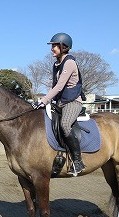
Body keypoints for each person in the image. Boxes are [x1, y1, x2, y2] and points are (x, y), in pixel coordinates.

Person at [32, 32, 86, 176]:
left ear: (64, 47)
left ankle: (78, 161)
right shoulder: (56, 64)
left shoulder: (69, 62)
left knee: (65, 125)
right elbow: (54, 86)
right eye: (52, 46)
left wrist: (43, 101)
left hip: (73, 101)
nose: (52, 48)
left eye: (55, 45)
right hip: (60, 102)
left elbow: (59, 87)